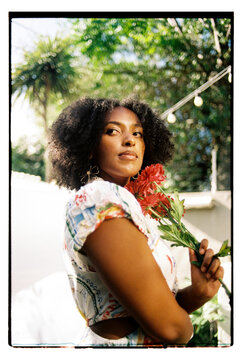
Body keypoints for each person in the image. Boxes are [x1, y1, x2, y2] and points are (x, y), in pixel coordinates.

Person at [49, 97, 224, 347]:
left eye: (138, 133)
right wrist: (182, 327)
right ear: (89, 146)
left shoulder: (126, 205)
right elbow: (172, 329)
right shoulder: (99, 198)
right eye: (112, 131)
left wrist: (197, 294)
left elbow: (148, 316)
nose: (129, 140)